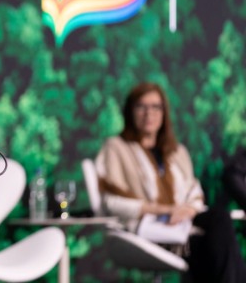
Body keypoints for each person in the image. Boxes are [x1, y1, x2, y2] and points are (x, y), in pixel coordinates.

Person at [96, 82, 246, 282]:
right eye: (141, 106)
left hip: (183, 222)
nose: (149, 113)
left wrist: (188, 210)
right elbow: (111, 202)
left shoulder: (177, 151)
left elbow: (194, 191)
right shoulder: (116, 148)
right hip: (148, 230)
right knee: (212, 248)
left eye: (156, 107)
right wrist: (163, 210)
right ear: (130, 111)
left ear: (164, 113)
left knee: (220, 218)